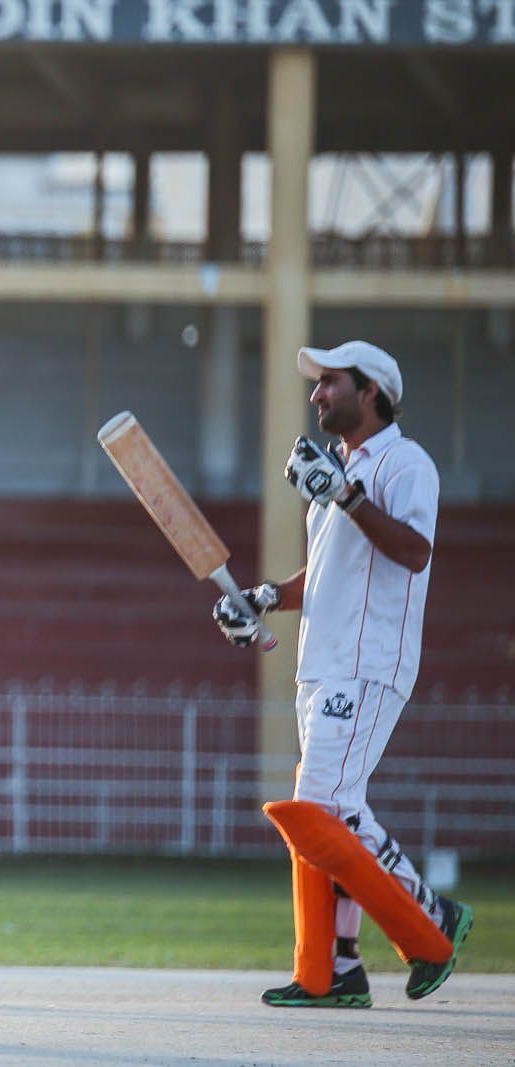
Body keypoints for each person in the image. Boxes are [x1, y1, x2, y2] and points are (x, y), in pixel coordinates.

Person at [212, 340, 473, 1009]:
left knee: (317, 809)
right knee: (338, 811)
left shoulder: (406, 463)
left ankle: (431, 917)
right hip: (322, 665)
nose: (316, 394)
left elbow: (413, 551)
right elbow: (327, 573)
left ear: (372, 391)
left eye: (330, 382)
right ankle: (342, 965)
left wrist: (347, 495)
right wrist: (266, 596)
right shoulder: (337, 473)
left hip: (367, 662)